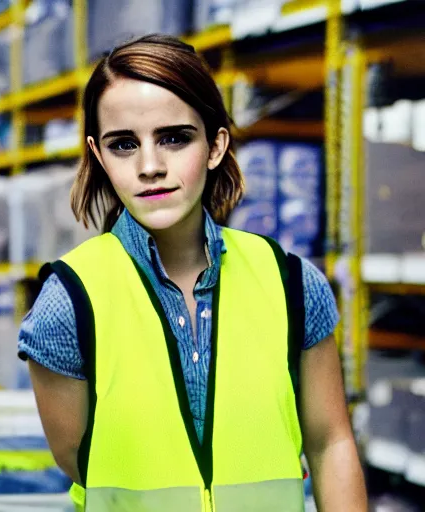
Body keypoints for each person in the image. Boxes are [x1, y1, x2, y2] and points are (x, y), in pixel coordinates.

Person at [18, 34, 367, 511]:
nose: (149, 166)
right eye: (124, 145)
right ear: (99, 157)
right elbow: (81, 464)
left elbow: (331, 445)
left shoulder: (292, 284)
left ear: (215, 145)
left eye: (174, 137)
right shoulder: (69, 302)